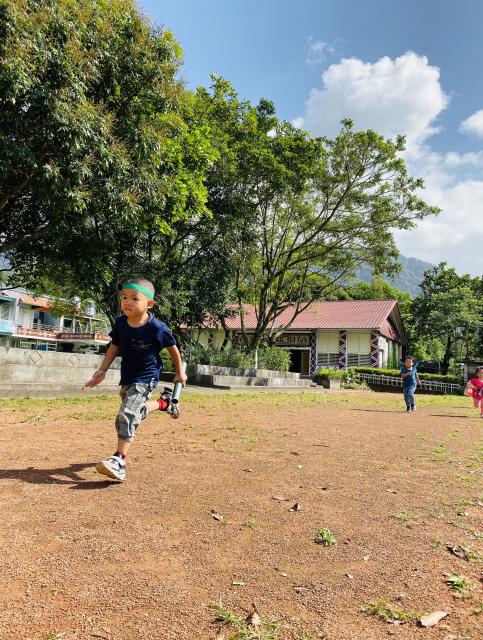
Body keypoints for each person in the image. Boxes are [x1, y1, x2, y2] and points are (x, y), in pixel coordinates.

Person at [84, 278, 187, 481]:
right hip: (128, 376)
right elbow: (115, 346)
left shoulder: (157, 327)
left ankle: (119, 460)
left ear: (149, 304)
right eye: (124, 297)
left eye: (134, 298)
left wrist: (179, 372)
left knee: (128, 413)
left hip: (147, 376)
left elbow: (173, 349)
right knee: (134, 412)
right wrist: (102, 370)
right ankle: (164, 403)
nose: (127, 302)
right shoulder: (121, 323)